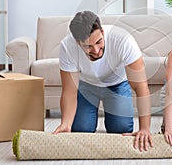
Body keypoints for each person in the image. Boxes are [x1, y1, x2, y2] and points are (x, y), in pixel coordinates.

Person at [53, 11, 153, 151]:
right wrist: (66, 124)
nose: (96, 50)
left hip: (117, 84)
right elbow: (69, 91)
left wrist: (145, 128)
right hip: (86, 86)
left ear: (102, 31)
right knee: (81, 130)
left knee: (120, 129)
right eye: (88, 46)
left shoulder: (123, 40)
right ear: (77, 42)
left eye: (99, 42)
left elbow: (141, 86)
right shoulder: (67, 46)